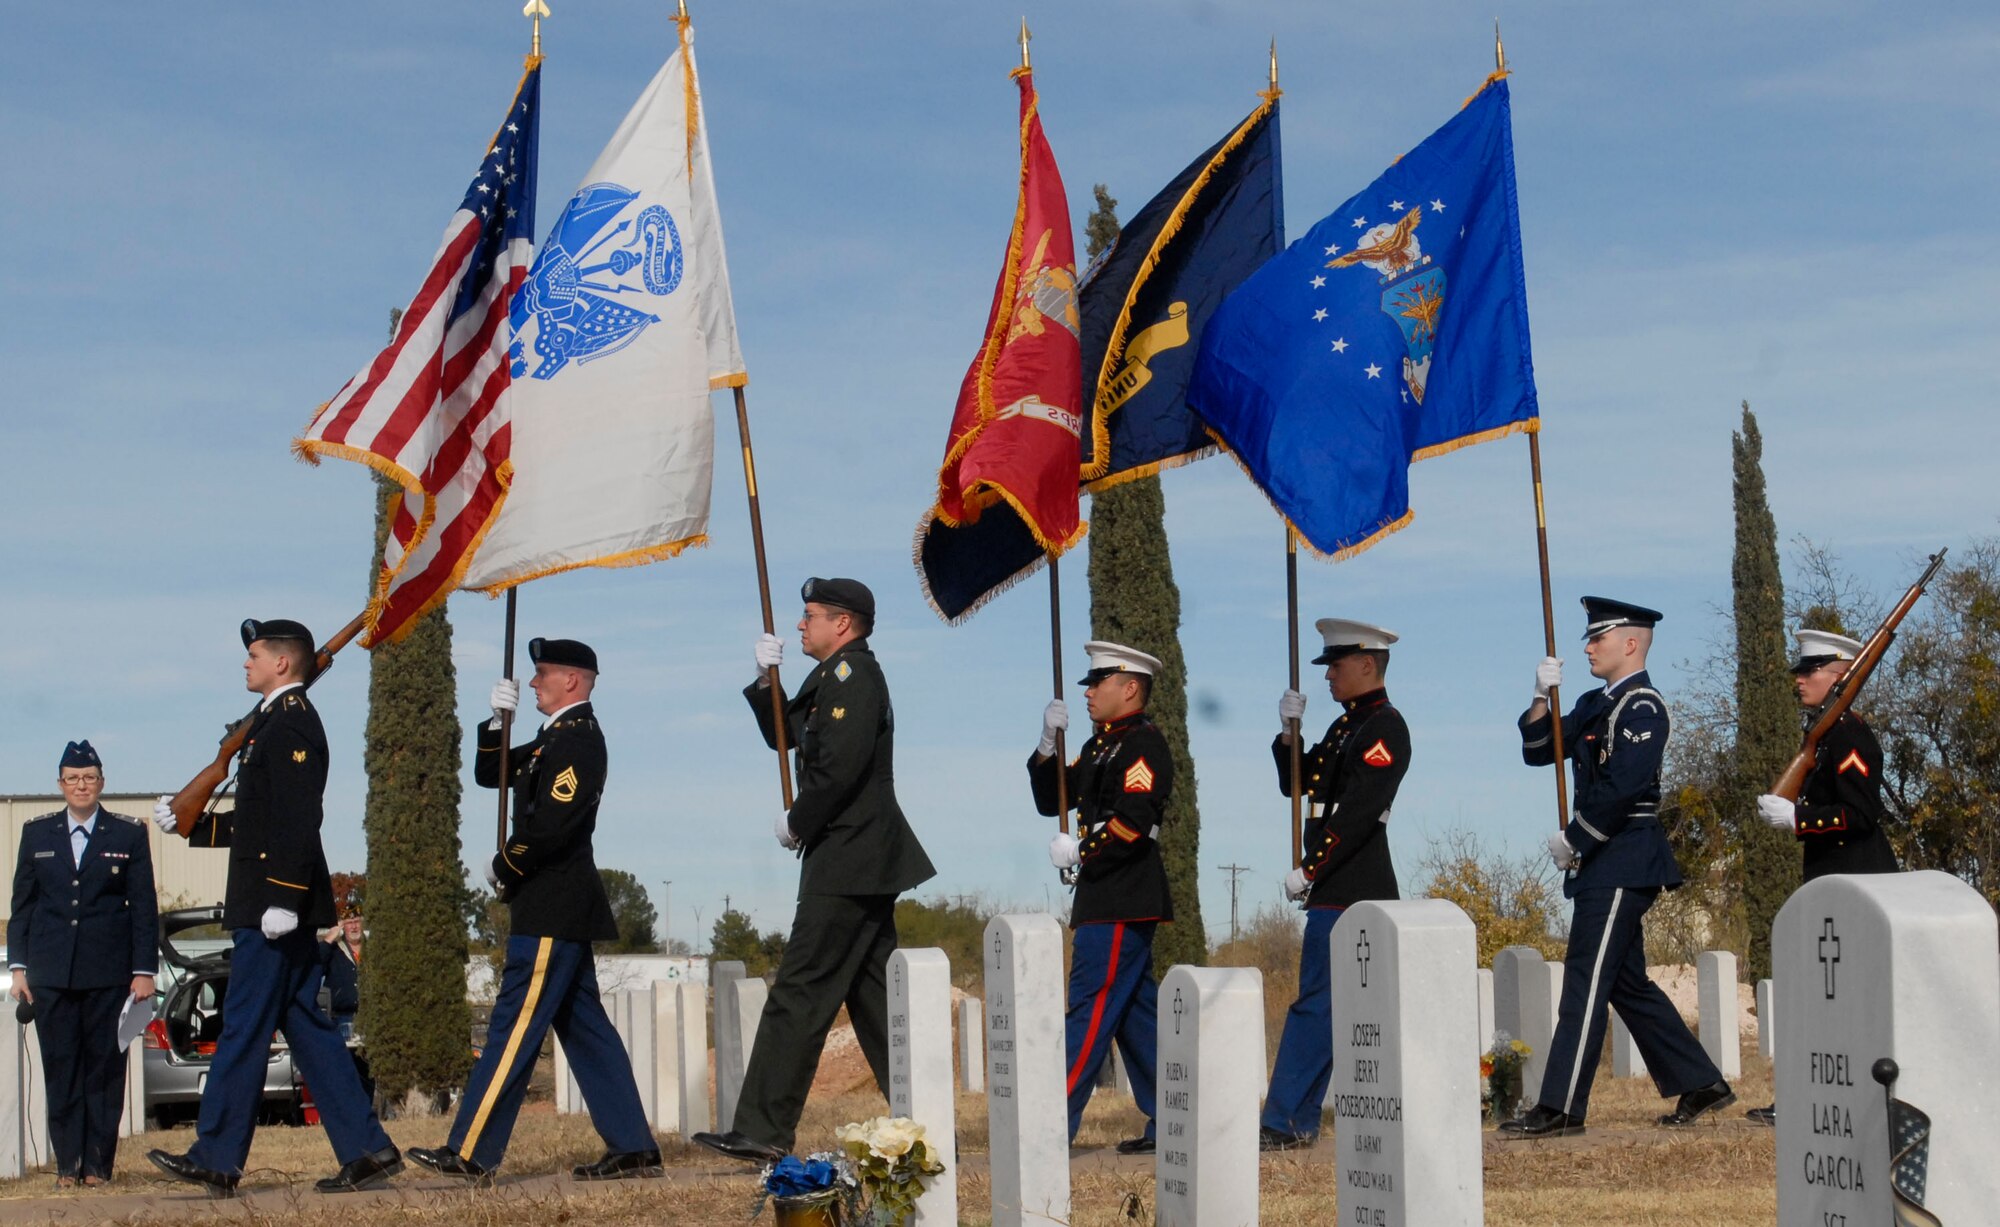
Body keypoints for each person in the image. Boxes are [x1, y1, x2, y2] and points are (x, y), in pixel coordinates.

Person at [147, 619, 401, 1196]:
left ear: (282, 664)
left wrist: (284, 897)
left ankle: (216, 1155)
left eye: (253, 654)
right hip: (272, 901)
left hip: (273, 906)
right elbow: (259, 821)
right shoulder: (271, 723)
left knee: (241, 1027)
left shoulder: (291, 724)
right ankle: (370, 1150)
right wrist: (195, 823)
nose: (245, 663)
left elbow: (296, 818)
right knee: (309, 1030)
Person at [693, 578, 936, 1163]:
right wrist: (763, 683)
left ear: (843, 624)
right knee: (877, 1006)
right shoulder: (831, 678)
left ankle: (764, 1128)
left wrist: (797, 820)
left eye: (810, 616)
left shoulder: (856, 677)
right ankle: (926, 1120)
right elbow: (792, 736)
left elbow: (839, 769)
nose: (801, 626)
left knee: (799, 992)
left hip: (849, 859)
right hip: (855, 858)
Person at [409, 637, 659, 1184]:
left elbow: (553, 825)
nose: (535, 681)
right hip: (553, 905)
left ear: (573, 680)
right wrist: (498, 724)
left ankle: (471, 1150)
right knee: (587, 1031)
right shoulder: (553, 740)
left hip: (551, 904)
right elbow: (490, 774)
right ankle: (635, 1147)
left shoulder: (580, 742)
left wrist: (506, 864)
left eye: (543, 673)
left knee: (513, 1026)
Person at [1499, 598, 1734, 1139]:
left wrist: (1574, 839)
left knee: (1584, 982)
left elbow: (1625, 787)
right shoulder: (1591, 703)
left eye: (1597, 638)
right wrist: (1539, 697)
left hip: (1623, 861)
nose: (1587, 647)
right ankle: (1700, 1082)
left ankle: (1560, 1107)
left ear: (1629, 643)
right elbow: (1539, 750)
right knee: (1626, 984)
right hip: (1604, 862)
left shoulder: (1642, 707)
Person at [1259, 621, 1410, 1151]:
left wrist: (1312, 867)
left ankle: (1283, 1120)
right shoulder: (1345, 729)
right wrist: (1289, 736)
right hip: (1335, 885)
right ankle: (1294, 1119)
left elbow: (1361, 812)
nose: (1328, 677)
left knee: (1318, 1005)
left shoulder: (1385, 728)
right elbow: (1293, 785)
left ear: (1367, 664)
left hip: (1354, 884)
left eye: (1337, 666)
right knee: (1325, 1006)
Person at [1744, 628, 1902, 1125]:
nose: (1799, 680)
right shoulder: (1824, 737)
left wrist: (1797, 819)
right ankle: (1805, 1095)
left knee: (1851, 1001)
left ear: (1840, 677)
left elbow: (1861, 814)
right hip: (1831, 882)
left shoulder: (1850, 735)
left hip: (1858, 882)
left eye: (1810, 671)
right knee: (1824, 1000)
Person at [1030, 641, 1173, 1155]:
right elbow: (1054, 800)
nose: (1088, 692)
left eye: (1098, 683)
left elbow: (1134, 821)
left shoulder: (1144, 745)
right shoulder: (1098, 746)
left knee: (1089, 1011)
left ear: (1130, 687)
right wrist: (1047, 746)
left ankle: (1051, 1124)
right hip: (1104, 895)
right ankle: (1179, 1120)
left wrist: (1082, 847)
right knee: (1136, 1018)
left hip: (1122, 894)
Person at [8, 740, 157, 1188]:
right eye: (72, 778)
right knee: (61, 1068)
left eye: (89, 778)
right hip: (51, 974)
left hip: (110, 973)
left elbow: (144, 908)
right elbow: (23, 907)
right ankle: (67, 1167)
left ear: (101, 783)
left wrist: (144, 970)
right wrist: (19, 969)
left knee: (104, 1071)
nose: (81, 786)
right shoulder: (37, 834)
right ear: (60, 784)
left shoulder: (128, 833)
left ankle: (97, 1167)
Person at [319, 914, 363, 1038]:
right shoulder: (333, 950)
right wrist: (329, 938)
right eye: (349, 922)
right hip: (341, 1018)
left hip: (370, 1018)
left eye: (357, 922)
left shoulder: (372, 948)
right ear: (343, 925)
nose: (354, 927)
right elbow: (315, 966)